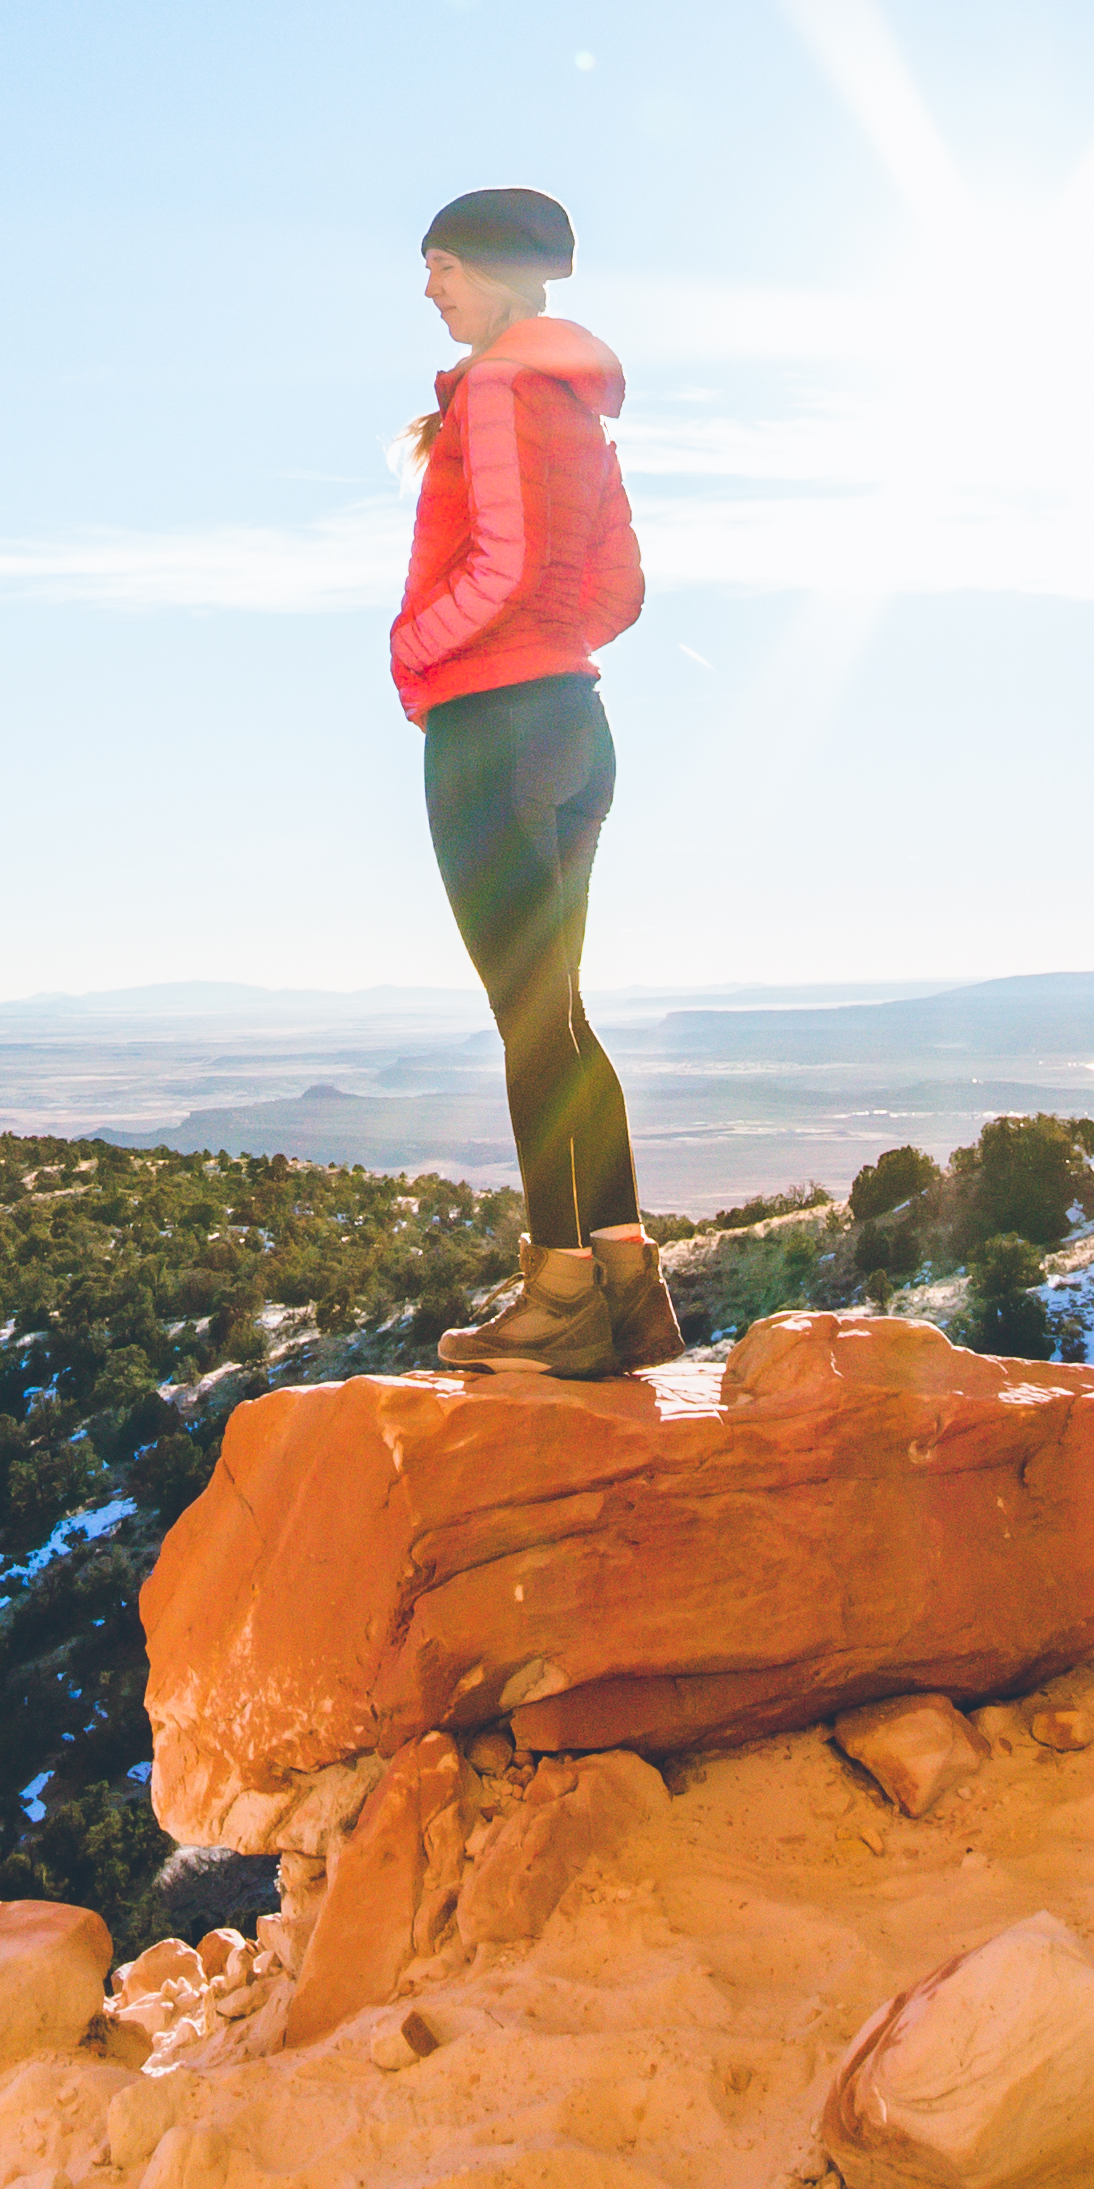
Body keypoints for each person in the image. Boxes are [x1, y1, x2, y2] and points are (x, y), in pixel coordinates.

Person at [395, 183, 662, 1378]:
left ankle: (553, 1295)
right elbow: (617, 588)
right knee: (557, 1015)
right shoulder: (575, 406)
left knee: (523, 1020)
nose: (429, 287)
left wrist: (414, 652)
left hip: (489, 727)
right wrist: (551, 649)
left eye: (441, 264)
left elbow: (497, 562)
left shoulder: (498, 389)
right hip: (572, 721)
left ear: (493, 272)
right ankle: (626, 1282)